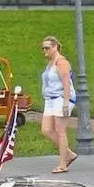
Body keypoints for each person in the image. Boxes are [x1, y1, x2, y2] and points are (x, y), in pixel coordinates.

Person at [40, 36, 77, 174]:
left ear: (55, 47)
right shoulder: (50, 63)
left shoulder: (61, 62)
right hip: (49, 99)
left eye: (47, 48)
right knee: (46, 129)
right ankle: (68, 154)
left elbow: (67, 83)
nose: (45, 50)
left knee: (61, 131)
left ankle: (63, 164)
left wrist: (66, 104)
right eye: (43, 48)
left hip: (61, 98)